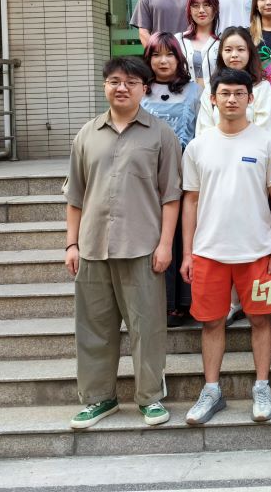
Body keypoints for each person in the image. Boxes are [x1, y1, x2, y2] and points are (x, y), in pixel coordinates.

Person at [64, 56, 181, 430]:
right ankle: (99, 398)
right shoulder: (87, 135)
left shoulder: (160, 134)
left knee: (147, 327)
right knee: (93, 327)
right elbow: (75, 196)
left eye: (131, 82)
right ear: (104, 86)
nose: (122, 88)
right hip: (93, 246)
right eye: (114, 81)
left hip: (142, 245)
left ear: (145, 88)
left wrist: (166, 245)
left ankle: (150, 397)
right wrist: (71, 244)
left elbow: (171, 196)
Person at [180, 68, 271, 424]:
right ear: (213, 99)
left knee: (260, 319)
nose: (231, 99)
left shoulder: (267, 143)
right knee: (211, 323)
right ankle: (211, 390)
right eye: (224, 93)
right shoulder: (198, 146)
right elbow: (190, 201)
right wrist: (187, 253)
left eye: (239, 93)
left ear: (250, 98)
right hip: (209, 252)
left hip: (255, 252)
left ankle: (262, 386)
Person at [141, 32, 202, 328]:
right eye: (156, 55)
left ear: (179, 58)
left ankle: (184, 302)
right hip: (148, 174)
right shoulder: (140, 89)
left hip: (185, 171)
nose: (162, 61)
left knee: (182, 236)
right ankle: (159, 303)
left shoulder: (194, 91)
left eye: (169, 54)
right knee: (155, 236)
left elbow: (202, 130)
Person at [197, 26, 271, 138]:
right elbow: (203, 131)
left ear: (249, 52)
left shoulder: (262, 87)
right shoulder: (211, 88)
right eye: (228, 50)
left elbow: (265, 132)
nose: (234, 55)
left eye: (240, 49)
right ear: (221, 53)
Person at [175, 0, 221, 87]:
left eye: (207, 5)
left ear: (215, 9)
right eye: (195, 6)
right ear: (189, 10)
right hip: (182, 95)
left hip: (214, 96)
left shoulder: (223, 43)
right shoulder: (178, 40)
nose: (201, 10)